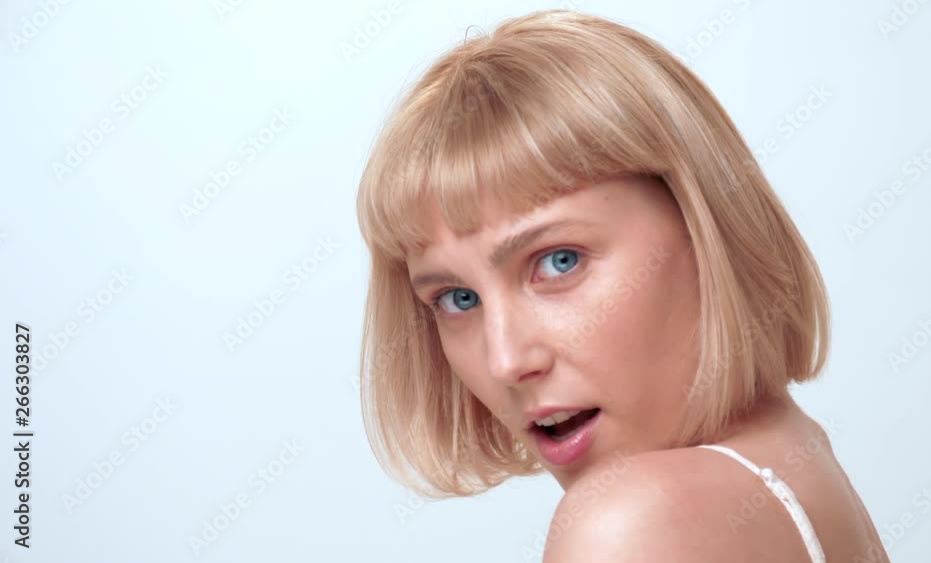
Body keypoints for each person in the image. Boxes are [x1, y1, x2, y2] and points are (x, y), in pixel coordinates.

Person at [355, 9, 889, 562]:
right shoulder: (799, 459)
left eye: (559, 261)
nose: (506, 362)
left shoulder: (632, 525)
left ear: (704, 227)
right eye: (456, 299)